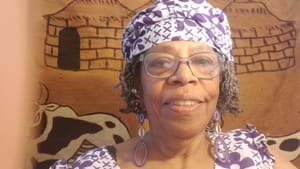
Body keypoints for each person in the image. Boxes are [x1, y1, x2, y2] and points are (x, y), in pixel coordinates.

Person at [50, 0, 297, 168]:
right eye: (161, 63)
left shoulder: (257, 162)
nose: (184, 76)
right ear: (137, 81)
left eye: (201, 61)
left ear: (222, 81)